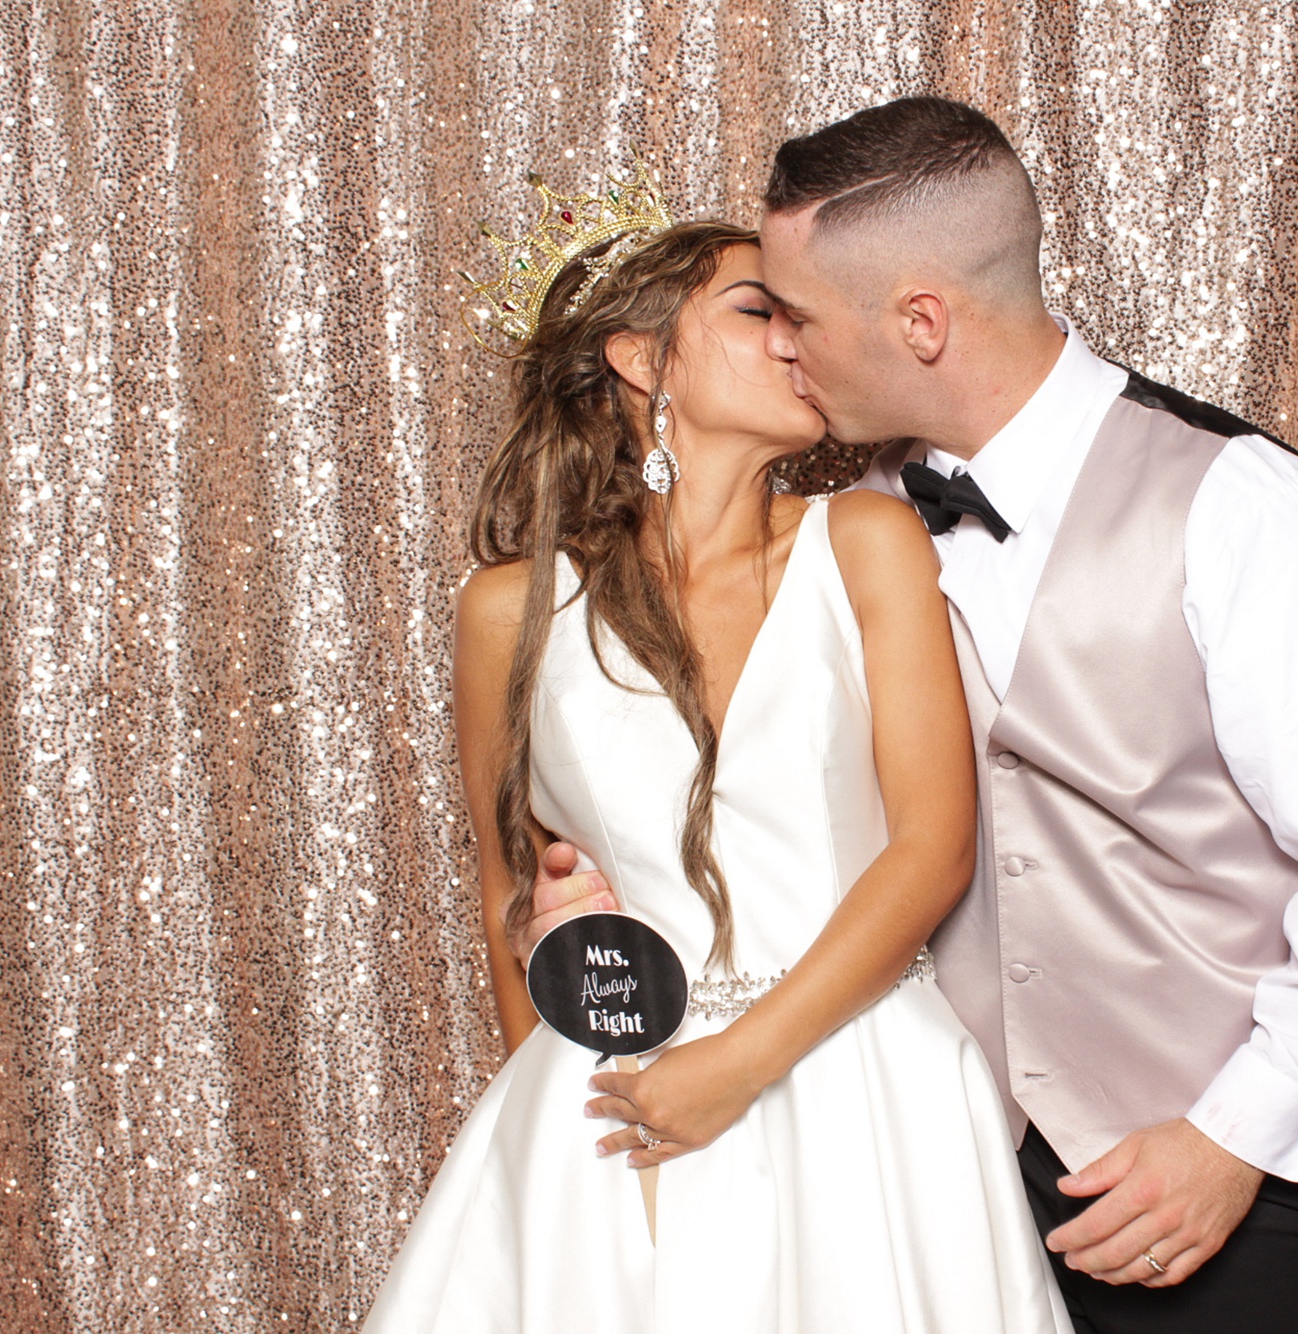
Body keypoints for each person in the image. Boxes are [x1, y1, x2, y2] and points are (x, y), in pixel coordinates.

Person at [529, 98, 1298, 1334]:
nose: (785, 350)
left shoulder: (1245, 508)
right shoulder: (843, 533)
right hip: (936, 1168)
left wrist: (1229, 1138)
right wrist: (592, 891)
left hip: (1216, 1179)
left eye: (794, 316)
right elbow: (744, 780)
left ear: (919, 321)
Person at [363, 195, 1071, 1333]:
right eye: (759, 310)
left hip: (865, 1085)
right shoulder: (511, 608)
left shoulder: (866, 542)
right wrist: (563, 1137)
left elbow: (932, 847)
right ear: (642, 359)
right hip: (623, 1100)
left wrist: (738, 1062)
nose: (798, 337)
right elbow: (508, 881)